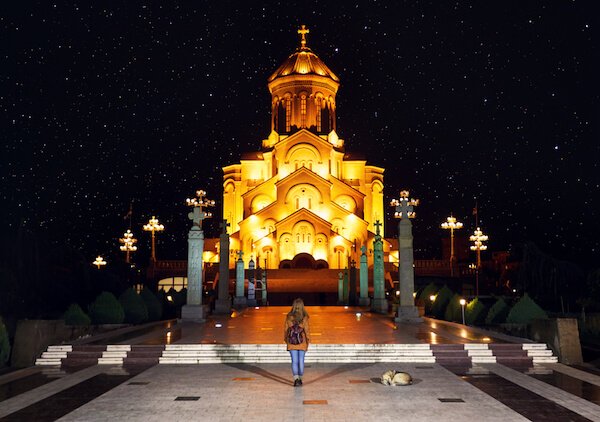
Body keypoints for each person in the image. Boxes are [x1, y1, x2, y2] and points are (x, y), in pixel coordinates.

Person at [284, 298, 310, 387]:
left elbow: (285, 330)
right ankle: (300, 379)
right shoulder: (305, 317)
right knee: (301, 361)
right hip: (302, 341)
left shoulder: (289, 316)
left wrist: (286, 340)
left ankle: (296, 379)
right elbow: (307, 331)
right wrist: (308, 341)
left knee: (294, 361)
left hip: (291, 342)